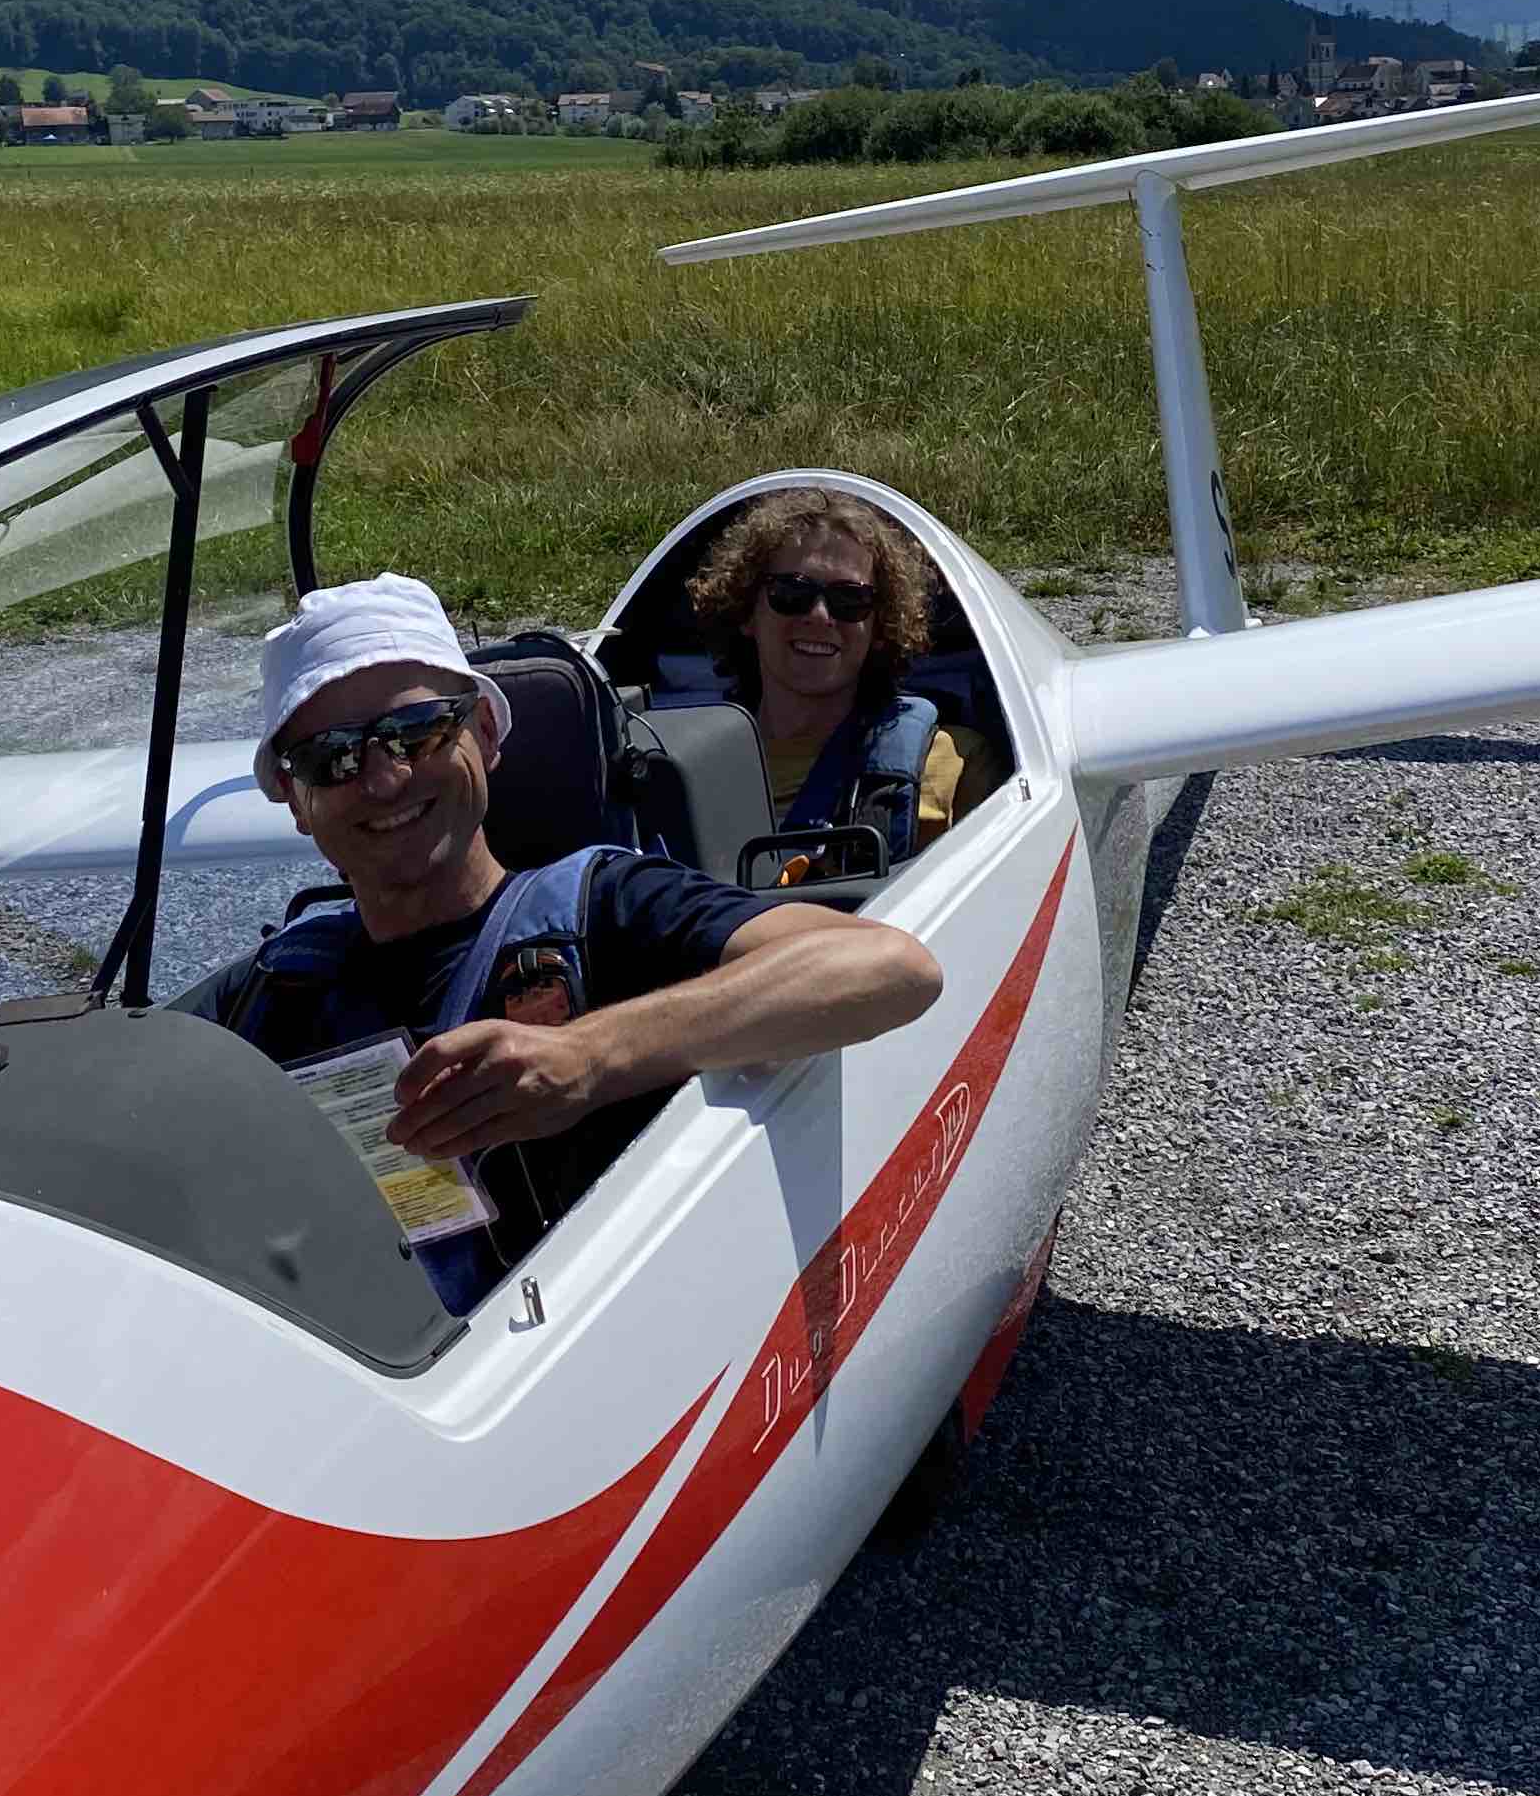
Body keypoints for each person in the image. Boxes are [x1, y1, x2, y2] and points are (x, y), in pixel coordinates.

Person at [211, 573, 941, 1304]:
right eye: (332, 758)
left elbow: (890, 966)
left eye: (417, 730)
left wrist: (590, 1057)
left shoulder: (605, 908)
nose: (384, 778)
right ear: (296, 802)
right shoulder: (280, 986)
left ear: (487, 735)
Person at [684, 488, 1010, 860]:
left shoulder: (955, 764)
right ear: (746, 611)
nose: (820, 616)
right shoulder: (686, 771)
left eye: (849, 600)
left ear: (879, 626)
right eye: (792, 592)